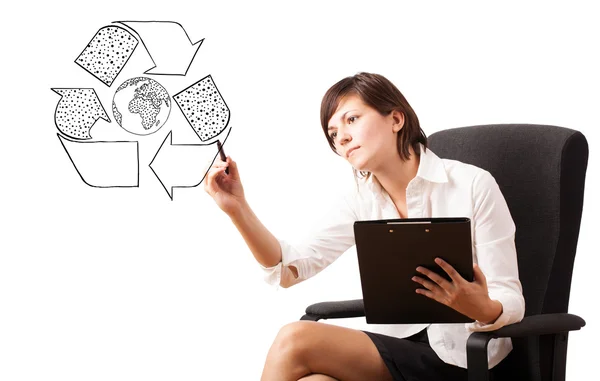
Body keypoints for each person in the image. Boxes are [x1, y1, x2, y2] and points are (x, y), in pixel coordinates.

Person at [204, 72, 525, 381]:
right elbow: (289, 270)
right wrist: (237, 209)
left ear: (396, 120)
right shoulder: (359, 199)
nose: (341, 137)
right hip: (397, 350)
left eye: (352, 119)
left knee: (294, 338)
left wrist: (481, 308)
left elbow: (509, 297)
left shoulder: (472, 184)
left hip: (468, 357)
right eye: (332, 133)